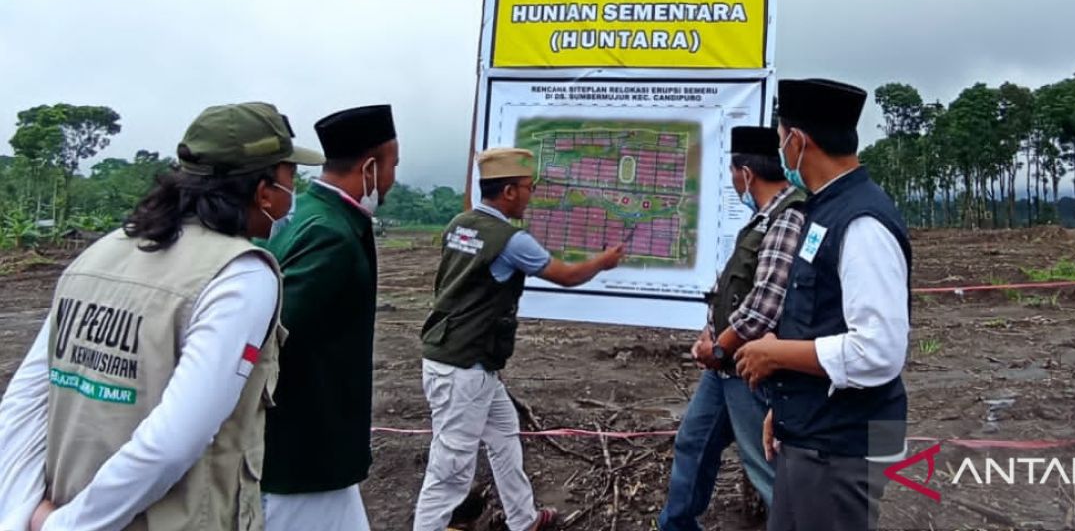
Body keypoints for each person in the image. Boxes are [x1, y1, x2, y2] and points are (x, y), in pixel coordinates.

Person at [0, 101, 324, 531]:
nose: (291, 195)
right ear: (263, 191)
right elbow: (175, 442)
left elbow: (23, 402)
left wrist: (24, 513)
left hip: (58, 506)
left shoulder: (101, 252)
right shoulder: (240, 276)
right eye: (289, 179)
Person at [413, 147, 625, 531]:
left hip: (461, 358)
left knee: (505, 434)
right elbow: (567, 275)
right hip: (465, 368)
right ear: (509, 191)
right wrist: (603, 262)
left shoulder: (459, 225)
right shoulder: (512, 241)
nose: (533, 194)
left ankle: (523, 519)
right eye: (529, 187)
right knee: (451, 471)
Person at [735, 78, 912, 531]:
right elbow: (819, 318)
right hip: (812, 430)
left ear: (797, 140)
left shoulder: (862, 223)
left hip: (845, 443)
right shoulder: (824, 210)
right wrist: (788, 405)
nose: (779, 153)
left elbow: (879, 352)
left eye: (779, 141)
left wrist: (774, 354)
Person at [656, 126, 806, 530]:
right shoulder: (760, 219)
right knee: (693, 443)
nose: (731, 179)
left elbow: (764, 305)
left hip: (748, 366)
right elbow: (734, 290)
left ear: (745, 174)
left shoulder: (787, 217)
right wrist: (710, 335)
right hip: (724, 368)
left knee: (766, 467)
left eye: (730, 170)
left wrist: (719, 348)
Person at [260, 105, 399, 531]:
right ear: (371, 167)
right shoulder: (329, 234)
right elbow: (276, 339)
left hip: (320, 452)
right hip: (304, 455)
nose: (393, 178)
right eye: (393, 164)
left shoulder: (307, 215)